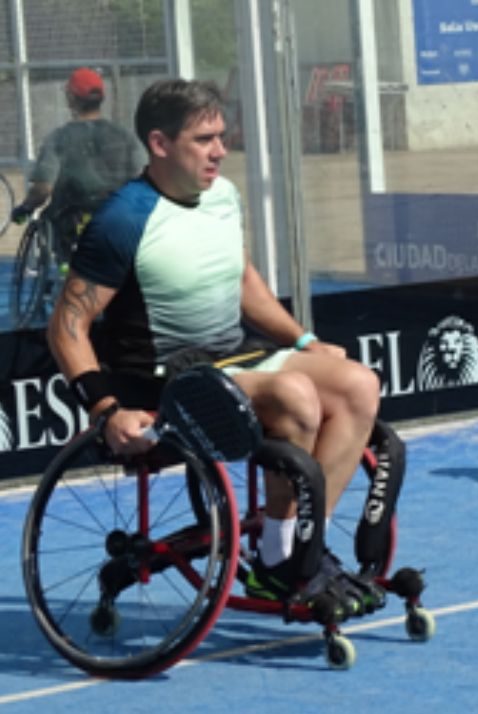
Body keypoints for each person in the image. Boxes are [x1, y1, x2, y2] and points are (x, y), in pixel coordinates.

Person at [45, 78, 385, 616]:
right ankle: (281, 559)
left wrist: (305, 341)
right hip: (165, 380)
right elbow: (67, 325)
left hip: (235, 359)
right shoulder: (123, 219)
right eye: (204, 139)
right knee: (295, 395)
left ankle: (298, 548)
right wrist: (106, 411)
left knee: (360, 385)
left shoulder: (223, 195)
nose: (220, 151)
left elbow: (243, 282)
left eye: (222, 137)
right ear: (160, 144)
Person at [10, 68, 145, 256]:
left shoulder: (59, 138)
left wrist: (25, 208)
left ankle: (67, 266)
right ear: (102, 98)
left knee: (57, 226)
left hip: (71, 224)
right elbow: (142, 178)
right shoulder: (125, 137)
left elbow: (43, 189)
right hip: (119, 220)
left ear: (71, 98)